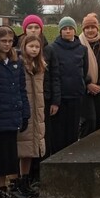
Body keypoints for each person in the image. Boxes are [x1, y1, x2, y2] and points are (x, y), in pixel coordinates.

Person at [0, 26, 30, 198]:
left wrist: (24, 112)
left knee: (8, 158)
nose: (7, 44)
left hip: (12, 115)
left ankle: (3, 191)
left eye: (10, 41)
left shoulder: (16, 61)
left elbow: (21, 88)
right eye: (3, 41)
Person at [20, 15, 61, 186]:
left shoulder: (49, 50)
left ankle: (40, 172)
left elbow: (54, 76)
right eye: (30, 28)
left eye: (37, 27)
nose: (34, 30)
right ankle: (25, 176)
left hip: (44, 99)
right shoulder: (19, 51)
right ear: (25, 30)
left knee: (43, 137)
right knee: (26, 138)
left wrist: (55, 100)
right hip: (26, 101)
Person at [49, 17, 88, 154]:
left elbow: (85, 70)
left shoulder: (82, 49)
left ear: (74, 31)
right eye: (64, 29)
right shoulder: (53, 48)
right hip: (60, 96)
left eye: (70, 28)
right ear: (60, 31)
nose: (67, 31)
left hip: (76, 94)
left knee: (72, 129)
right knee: (59, 130)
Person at [16, 33, 47, 197]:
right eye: (31, 46)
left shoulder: (40, 65)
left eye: (37, 47)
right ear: (24, 47)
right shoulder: (20, 65)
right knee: (21, 147)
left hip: (37, 111)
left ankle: (26, 180)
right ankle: (18, 182)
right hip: (25, 110)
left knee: (30, 148)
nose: (34, 49)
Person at [79, 13, 100, 137]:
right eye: (87, 28)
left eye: (93, 27)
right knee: (89, 121)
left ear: (97, 28)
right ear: (83, 29)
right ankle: (84, 147)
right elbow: (77, 68)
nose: (90, 30)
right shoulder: (78, 44)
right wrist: (88, 83)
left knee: (99, 121)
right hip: (85, 90)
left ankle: (95, 149)